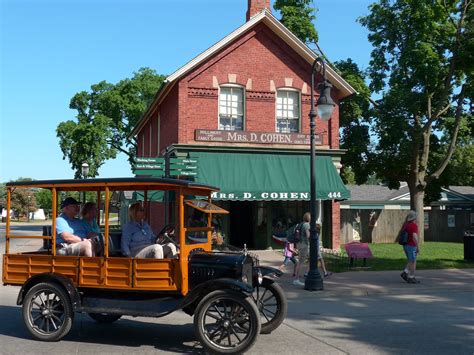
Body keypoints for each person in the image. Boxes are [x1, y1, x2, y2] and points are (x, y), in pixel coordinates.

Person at [400, 210, 420, 284]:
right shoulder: (414, 225)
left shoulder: (406, 225)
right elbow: (414, 236)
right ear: (414, 218)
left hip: (405, 245)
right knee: (413, 261)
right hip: (411, 245)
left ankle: (405, 272)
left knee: (410, 260)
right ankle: (411, 277)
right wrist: (418, 246)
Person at [293, 213, 310, 286]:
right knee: (301, 262)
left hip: (299, 244)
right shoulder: (306, 225)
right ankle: (296, 279)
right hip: (303, 244)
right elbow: (308, 235)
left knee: (311, 258)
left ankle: (307, 273)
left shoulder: (300, 224)